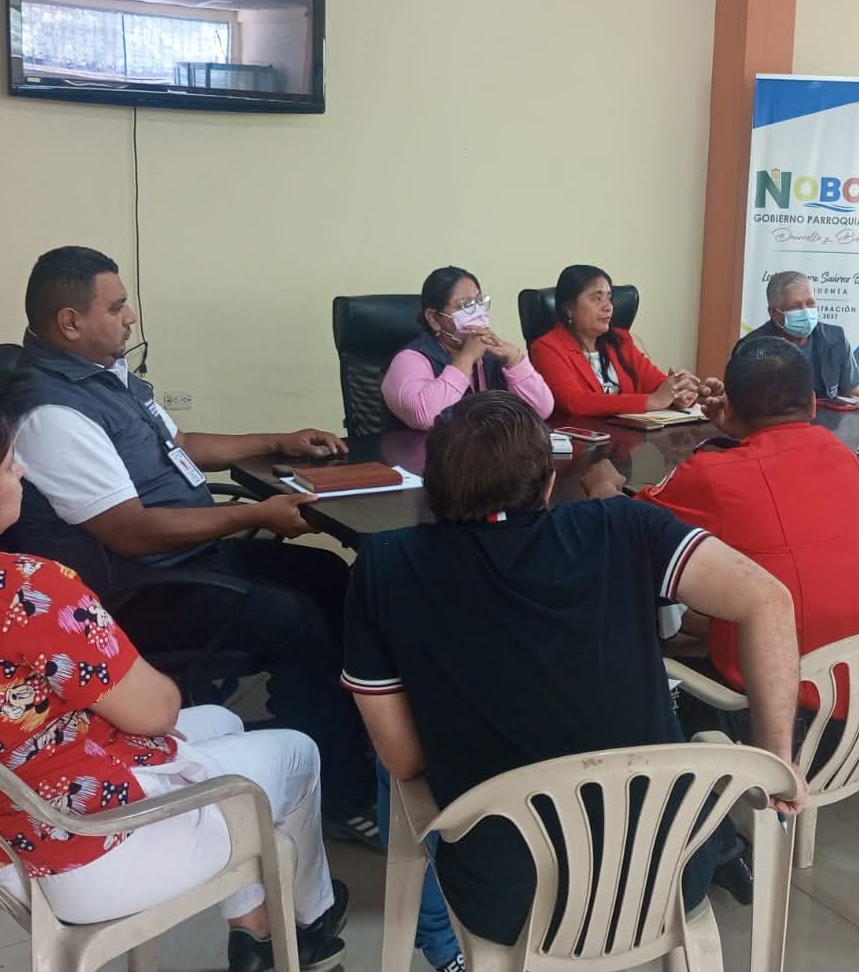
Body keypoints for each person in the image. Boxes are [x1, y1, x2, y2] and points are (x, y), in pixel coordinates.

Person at [0, 399, 347, 972]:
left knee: (223, 720)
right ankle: (310, 925)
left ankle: (255, 928)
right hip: (85, 853)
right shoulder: (24, 589)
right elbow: (157, 712)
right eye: (10, 467)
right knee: (297, 753)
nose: (22, 473)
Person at [341, 392, 807, 946]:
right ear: (546, 486)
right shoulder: (624, 524)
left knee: (394, 775)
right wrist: (778, 760)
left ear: (430, 489)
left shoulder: (384, 564)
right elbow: (767, 600)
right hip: (673, 874)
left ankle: (438, 944)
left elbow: (404, 759)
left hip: (511, 900)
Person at [0, 246, 375, 841]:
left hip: (187, 558)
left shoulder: (99, 376)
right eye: (116, 307)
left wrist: (279, 440)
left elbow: (180, 443)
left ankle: (330, 729)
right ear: (70, 322)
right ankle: (344, 796)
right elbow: (129, 530)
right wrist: (256, 514)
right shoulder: (52, 412)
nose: (130, 317)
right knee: (298, 622)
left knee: (333, 578)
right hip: (138, 592)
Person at [583, 337, 859, 715]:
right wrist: (735, 431)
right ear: (813, 404)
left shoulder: (714, 476)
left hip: (778, 708)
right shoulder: (846, 460)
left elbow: (627, 529)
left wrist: (602, 488)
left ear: (729, 406)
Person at [382, 266, 553, 430]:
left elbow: (541, 411)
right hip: (423, 449)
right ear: (433, 318)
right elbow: (426, 417)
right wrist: (466, 358)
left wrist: (516, 361)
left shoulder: (491, 356)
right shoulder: (410, 359)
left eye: (479, 302)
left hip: (486, 447)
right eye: (465, 305)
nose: (477, 312)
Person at [527, 264, 698, 418]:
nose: (608, 306)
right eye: (597, 298)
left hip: (629, 437)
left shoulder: (620, 340)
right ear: (569, 308)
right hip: (582, 438)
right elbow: (574, 402)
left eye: (609, 298)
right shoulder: (546, 347)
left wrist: (678, 391)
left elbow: (655, 383)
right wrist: (652, 401)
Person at [733, 270, 859, 399]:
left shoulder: (835, 340)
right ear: (773, 312)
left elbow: (855, 397)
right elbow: (739, 405)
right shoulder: (751, 350)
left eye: (810, 304)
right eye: (795, 307)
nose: (806, 312)